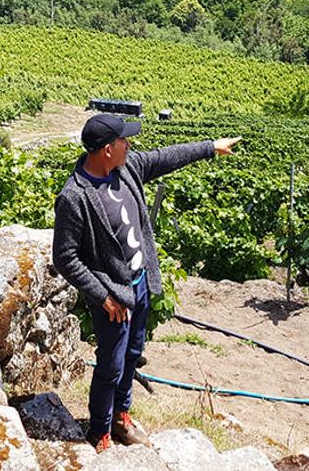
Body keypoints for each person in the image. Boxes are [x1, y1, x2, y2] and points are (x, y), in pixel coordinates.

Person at [52, 113, 240, 452]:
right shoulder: (74, 197)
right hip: (114, 297)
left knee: (133, 354)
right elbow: (65, 257)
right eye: (124, 140)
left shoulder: (126, 169)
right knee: (110, 365)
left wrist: (209, 148)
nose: (130, 144)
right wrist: (101, 295)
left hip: (140, 283)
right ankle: (99, 431)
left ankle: (121, 416)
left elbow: (164, 157)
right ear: (108, 149)